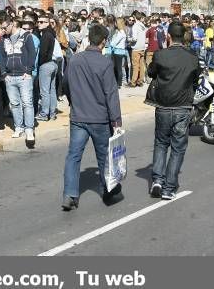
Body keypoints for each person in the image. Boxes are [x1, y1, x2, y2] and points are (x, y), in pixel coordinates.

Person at [60, 23, 123, 211]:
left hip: (78, 117)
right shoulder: (105, 63)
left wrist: (74, 103)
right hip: (100, 119)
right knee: (104, 156)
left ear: (88, 39)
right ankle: (108, 190)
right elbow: (111, 94)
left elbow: (65, 85)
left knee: (73, 156)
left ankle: (70, 194)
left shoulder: (75, 60)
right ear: (103, 42)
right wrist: (117, 121)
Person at [146, 22, 201, 201]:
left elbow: (151, 72)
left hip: (163, 106)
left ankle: (157, 181)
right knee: (177, 148)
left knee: (161, 143)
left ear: (169, 36)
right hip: (183, 107)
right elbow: (196, 79)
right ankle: (169, 188)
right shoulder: (192, 57)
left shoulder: (160, 55)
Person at [0, 17, 37, 148]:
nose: (3, 30)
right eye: (2, 28)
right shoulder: (3, 39)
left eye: (5, 27)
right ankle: (18, 127)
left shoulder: (26, 36)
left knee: (27, 103)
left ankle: (29, 129)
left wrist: (29, 70)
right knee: (14, 104)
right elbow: (2, 57)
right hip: (10, 77)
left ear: (12, 24)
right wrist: (4, 73)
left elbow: (32, 53)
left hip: (24, 76)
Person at [35, 15, 59, 122]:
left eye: (42, 22)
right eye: (38, 21)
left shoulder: (46, 35)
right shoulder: (51, 34)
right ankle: (52, 113)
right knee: (52, 90)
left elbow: (43, 53)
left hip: (46, 65)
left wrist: (39, 64)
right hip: (53, 64)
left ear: (48, 23)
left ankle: (44, 114)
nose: (39, 23)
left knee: (45, 91)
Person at [129, 12, 147, 87]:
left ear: (134, 17)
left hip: (136, 48)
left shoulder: (135, 26)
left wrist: (129, 39)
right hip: (142, 47)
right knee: (141, 65)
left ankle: (133, 82)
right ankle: (140, 81)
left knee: (135, 66)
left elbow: (134, 38)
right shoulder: (143, 26)